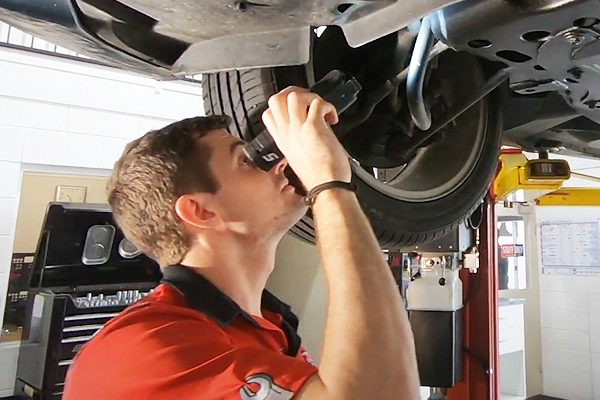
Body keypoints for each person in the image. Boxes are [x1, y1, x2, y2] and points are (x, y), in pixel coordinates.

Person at [63, 87, 420, 399]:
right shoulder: (143, 348)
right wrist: (328, 183)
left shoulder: (270, 328)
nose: (281, 162)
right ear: (200, 211)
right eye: (247, 161)